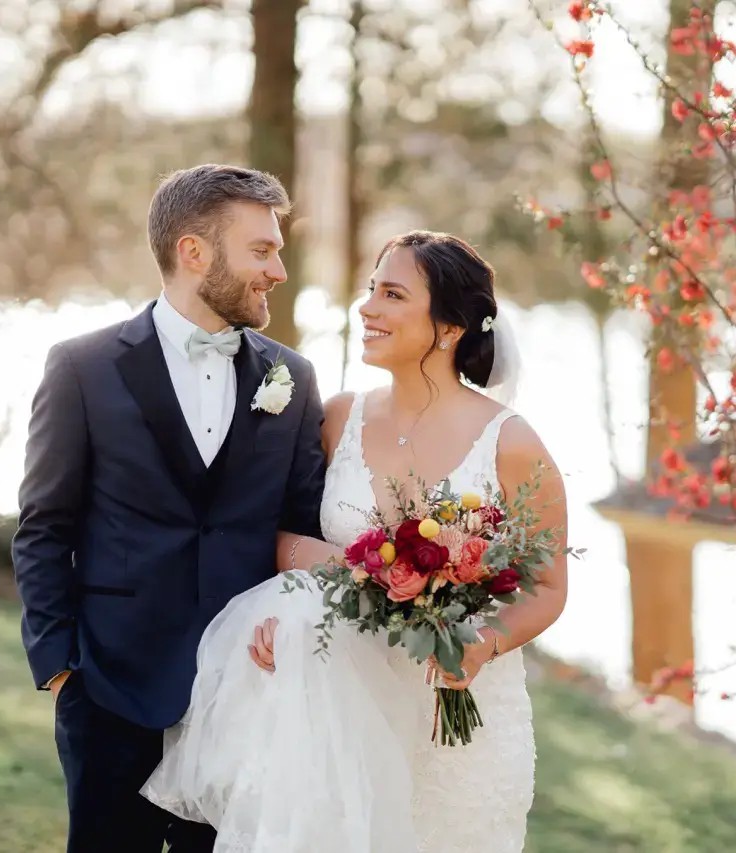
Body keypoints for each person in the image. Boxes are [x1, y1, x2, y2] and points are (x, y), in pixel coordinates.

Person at [141, 230, 569, 853]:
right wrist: (290, 608)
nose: (367, 308)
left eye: (392, 294)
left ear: (450, 327)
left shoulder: (512, 444)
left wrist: (476, 647)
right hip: (337, 709)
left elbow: (549, 586)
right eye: (370, 289)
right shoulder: (338, 417)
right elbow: (285, 535)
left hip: (453, 721)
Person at [12, 164, 326, 852]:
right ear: (194, 251)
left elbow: (302, 529)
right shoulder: (83, 368)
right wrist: (63, 668)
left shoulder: (292, 380)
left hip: (244, 694)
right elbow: (43, 526)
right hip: (110, 690)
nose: (277, 268)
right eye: (262, 249)